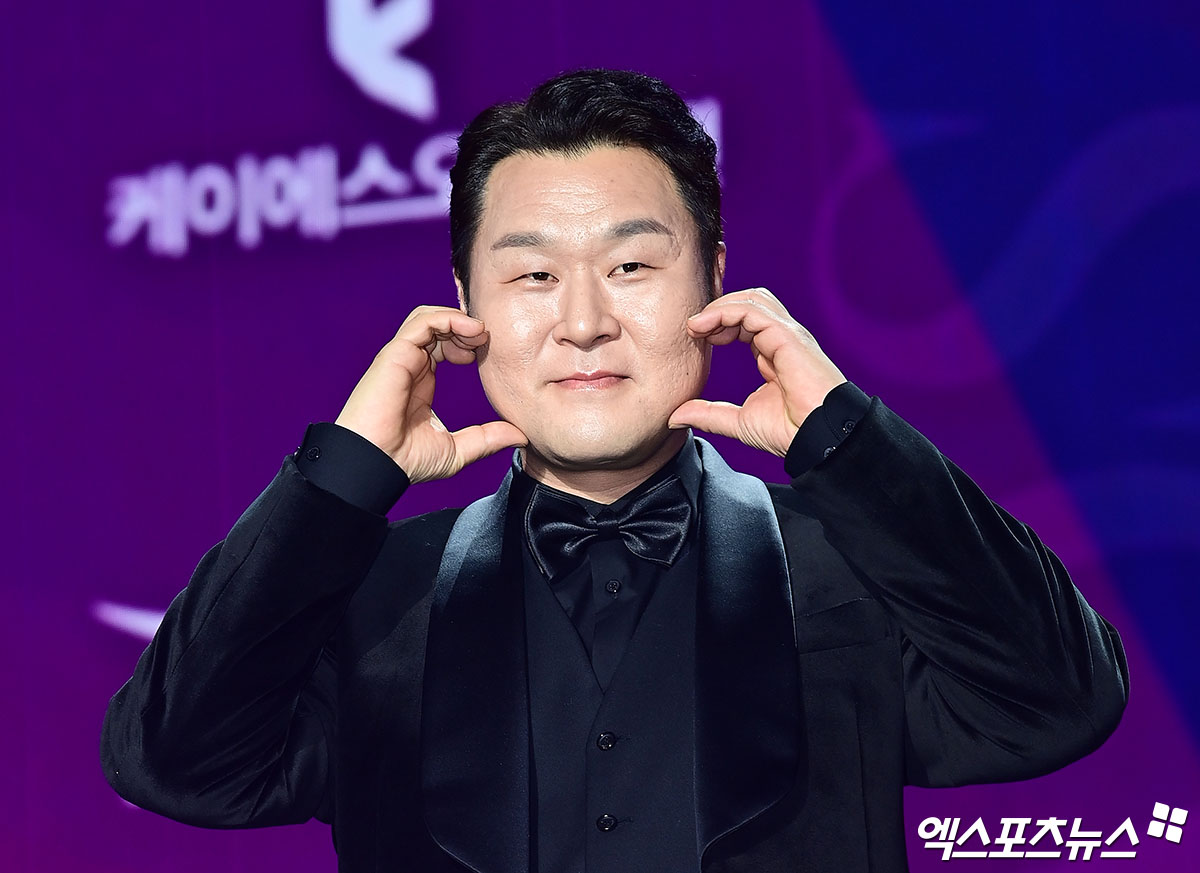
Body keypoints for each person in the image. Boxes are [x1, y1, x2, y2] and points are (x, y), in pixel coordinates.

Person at [101, 69, 1128, 873]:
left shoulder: (852, 565)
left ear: (715, 277)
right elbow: (175, 764)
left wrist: (848, 441)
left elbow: (1059, 702)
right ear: (464, 301)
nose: (584, 321)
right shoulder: (368, 592)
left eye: (632, 265)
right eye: (534, 274)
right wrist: (342, 477)